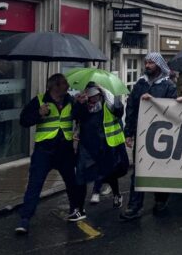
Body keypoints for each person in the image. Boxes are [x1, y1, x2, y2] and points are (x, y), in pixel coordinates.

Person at [15, 73, 86, 234]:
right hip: (44, 151)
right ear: (55, 86)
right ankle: (25, 219)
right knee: (35, 184)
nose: (67, 86)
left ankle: (74, 210)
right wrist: (39, 114)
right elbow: (24, 120)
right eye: (64, 83)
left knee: (72, 183)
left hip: (65, 150)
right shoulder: (39, 101)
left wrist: (81, 105)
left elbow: (80, 117)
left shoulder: (71, 100)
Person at [120, 52, 178, 221]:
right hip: (141, 133)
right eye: (146, 63)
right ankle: (134, 205)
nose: (147, 66)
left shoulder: (169, 86)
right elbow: (131, 107)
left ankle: (161, 199)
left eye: (151, 63)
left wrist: (153, 101)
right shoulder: (140, 84)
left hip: (162, 134)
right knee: (138, 171)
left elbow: (172, 109)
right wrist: (128, 133)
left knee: (160, 168)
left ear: (159, 65)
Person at [73, 83, 128, 210]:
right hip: (89, 147)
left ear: (100, 95)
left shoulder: (107, 104)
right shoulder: (84, 105)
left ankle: (116, 194)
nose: (93, 100)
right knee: (83, 174)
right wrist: (79, 103)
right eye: (90, 97)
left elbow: (119, 110)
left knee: (110, 173)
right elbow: (76, 117)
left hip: (106, 146)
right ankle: (81, 205)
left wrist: (105, 92)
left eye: (95, 97)